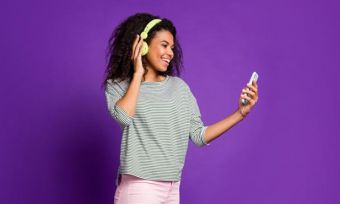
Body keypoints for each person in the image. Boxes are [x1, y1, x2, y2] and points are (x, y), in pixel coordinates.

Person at [103, 13, 259, 204]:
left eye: (172, 48)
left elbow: (199, 135)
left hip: (172, 187)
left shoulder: (179, 88)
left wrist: (240, 114)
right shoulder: (119, 85)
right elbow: (123, 117)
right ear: (142, 45)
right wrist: (138, 74)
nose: (170, 53)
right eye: (164, 45)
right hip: (140, 186)